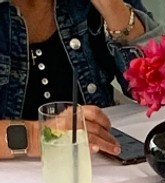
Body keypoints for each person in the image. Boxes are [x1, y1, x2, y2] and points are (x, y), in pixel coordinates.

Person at [0, 0, 157, 159]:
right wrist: (39, 136)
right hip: (17, 168)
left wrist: (113, 8)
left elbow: (162, 92)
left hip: (101, 158)